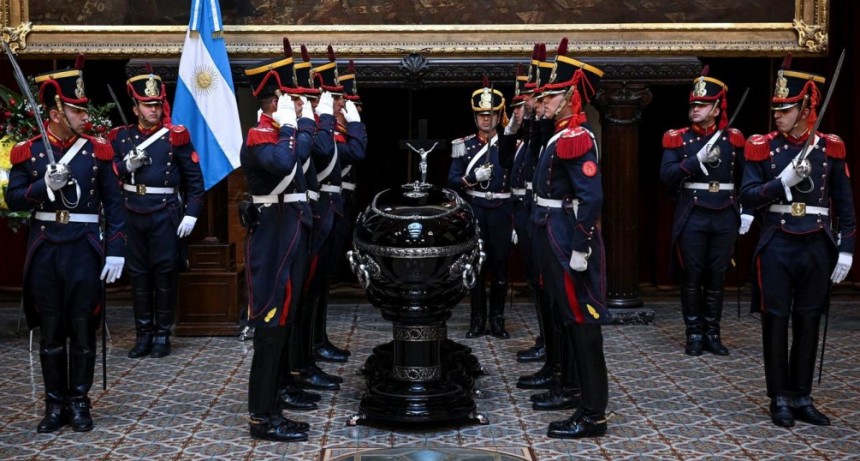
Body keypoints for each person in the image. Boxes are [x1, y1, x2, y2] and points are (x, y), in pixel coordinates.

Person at [7, 56, 125, 433]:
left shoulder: (97, 151)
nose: (83, 115)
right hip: (46, 248)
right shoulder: (29, 152)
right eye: (75, 109)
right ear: (55, 112)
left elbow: (115, 205)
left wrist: (117, 249)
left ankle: (79, 402)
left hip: (83, 248)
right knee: (52, 332)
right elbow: (13, 200)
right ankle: (53, 405)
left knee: (82, 329)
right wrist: (45, 187)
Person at [740, 56, 855, 428]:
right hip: (776, 243)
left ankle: (802, 396)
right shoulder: (762, 147)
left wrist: (848, 248)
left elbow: (846, 203)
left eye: (787, 109)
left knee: (808, 320)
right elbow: (749, 196)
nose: (779, 115)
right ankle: (779, 398)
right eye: (777, 109)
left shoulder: (829, 148)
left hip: (817, 245)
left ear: (807, 108)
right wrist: (782, 183)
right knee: (776, 321)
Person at [531, 38, 610, 438]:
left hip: (567, 239)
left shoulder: (577, 138)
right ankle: (581, 395)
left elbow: (590, 197)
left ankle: (593, 413)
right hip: (554, 234)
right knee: (569, 320)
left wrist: (580, 246)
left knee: (582, 323)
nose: (541, 103)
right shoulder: (558, 135)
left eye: (549, 96)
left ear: (569, 97)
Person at [240, 50, 315, 442]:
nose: (302, 104)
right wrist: (293, 125)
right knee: (269, 331)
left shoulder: (277, 133)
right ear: (275, 102)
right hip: (272, 247)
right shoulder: (259, 138)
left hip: (287, 238)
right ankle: (261, 418)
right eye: (294, 98)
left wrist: (296, 126)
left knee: (281, 326)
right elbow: (288, 161)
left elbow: (305, 150)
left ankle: (272, 410)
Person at [110, 67, 204, 359]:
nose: (154, 110)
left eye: (158, 104)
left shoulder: (175, 136)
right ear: (134, 106)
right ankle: (143, 334)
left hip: (164, 213)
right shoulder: (120, 137)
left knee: (164, 275)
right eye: (148, 105)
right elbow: (106, 175)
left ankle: (163, 334)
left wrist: (191, 214)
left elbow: (195, 182)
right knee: (138, 276)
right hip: (131, 211)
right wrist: (127, 166)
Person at [659, 67, 748, 356]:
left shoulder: (733, 139)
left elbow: (746, 179)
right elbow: (667, 175)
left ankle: (713, 332)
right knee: (692, 274)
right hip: (693, 213)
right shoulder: (678, 139)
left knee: (717, 275)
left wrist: (744, 211)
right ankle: (694, 332)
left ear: (716, 108)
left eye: (701, 105)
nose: (694, 109)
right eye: (693, 105)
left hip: (724, 213)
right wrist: (696, 160)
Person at [447, 76, 514, 339]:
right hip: (476, 209)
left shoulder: (511, 144)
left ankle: (497, 320)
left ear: (499, 115)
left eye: (490, 115)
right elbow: (452, 181)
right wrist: (472, 178)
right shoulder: (463, 145)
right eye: (481, 115)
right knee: (476, 265)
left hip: (501, 211)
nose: (486, 120)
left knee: (500, 266)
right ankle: (477, 320)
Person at [311, 55, 367, 363]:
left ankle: (319, 338)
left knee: (324, 279)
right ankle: (313, 343)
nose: (346, 109)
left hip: (338, 206)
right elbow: (358, 152)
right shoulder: (326, 136)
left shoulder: (337, 133)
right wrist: (356, 125)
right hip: (323, 208)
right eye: (339, 102)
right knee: (315, 281)